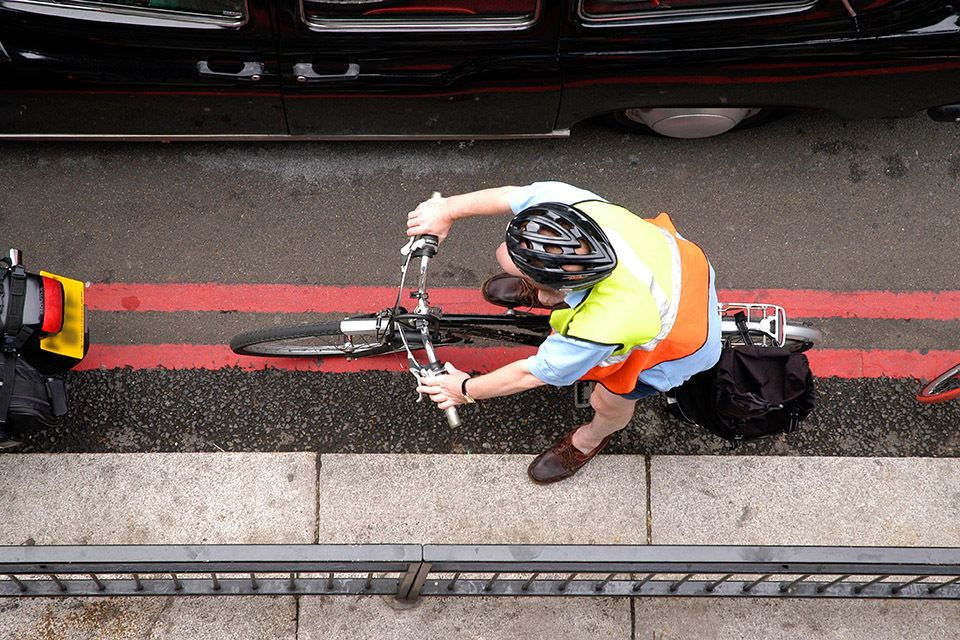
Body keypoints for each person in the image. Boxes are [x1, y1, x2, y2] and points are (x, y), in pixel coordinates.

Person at [407, 182, 721, 484]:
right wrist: (445, 209)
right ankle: (547, 296)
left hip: (678, 343)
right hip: (679, 263)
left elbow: (532, 374)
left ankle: (589, 440)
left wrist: (464, 389)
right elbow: (509, 196)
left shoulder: (604, 324)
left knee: (608, 400)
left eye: (530, 272)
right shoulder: (567, 206)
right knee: (508, 254)